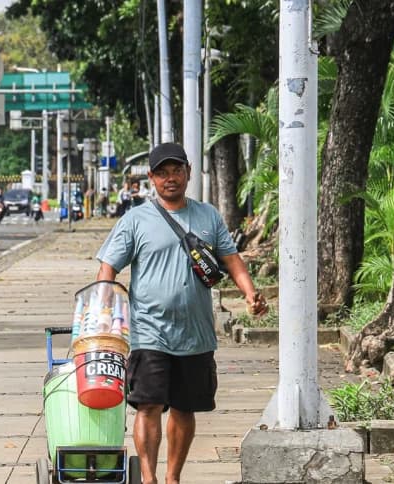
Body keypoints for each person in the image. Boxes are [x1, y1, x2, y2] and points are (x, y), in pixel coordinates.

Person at [95, 142, 268, 484]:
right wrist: (103, 310)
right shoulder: (136, 220)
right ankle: (149, 478)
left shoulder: (208, 216)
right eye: (163, 173)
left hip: (195, 333)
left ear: (188, 172)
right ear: (151, 178)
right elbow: (108, 267)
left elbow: (231, 259)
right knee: (148, 404)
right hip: (149, 331)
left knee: (185, 408)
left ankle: (172, 478)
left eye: (176, 171)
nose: (170, 178)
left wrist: (250, 294)